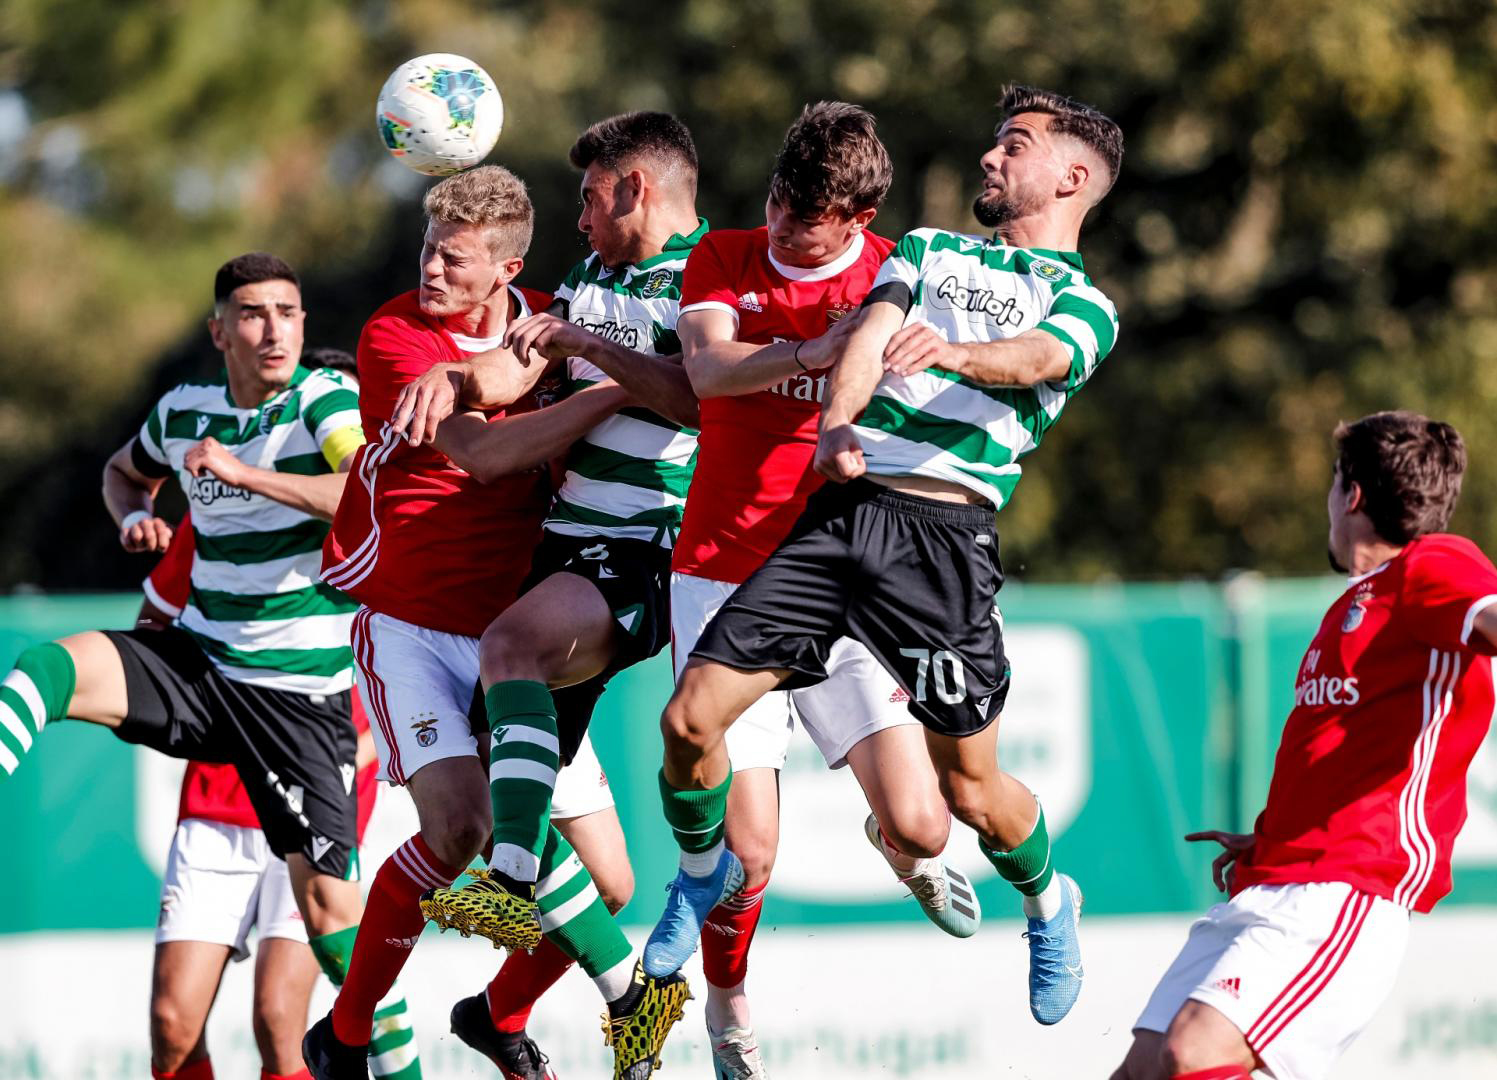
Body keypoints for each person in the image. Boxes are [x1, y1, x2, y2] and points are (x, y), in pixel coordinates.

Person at [643, 85, 1124, 1030]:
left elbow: (1034, 360)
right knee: (689, 718)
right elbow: (865, 334)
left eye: (1013, 146)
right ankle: (699, 880)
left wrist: (947, 354)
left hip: (943, 547)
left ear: (1071, 177)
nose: (990, 158)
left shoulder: (1089, 303)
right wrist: (834, 428)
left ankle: (1046, 900)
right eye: (992, 142)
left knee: (964, 795)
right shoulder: (930, 249)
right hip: (841, 517)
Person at [308, 165, 686, 1080]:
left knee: (611, 881)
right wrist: (615, 390)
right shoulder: (393, 332)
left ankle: (496, 1016)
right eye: (428, 250)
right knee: (461, 830)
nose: (432, 270)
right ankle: (346, 1039)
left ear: (508, 267)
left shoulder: (554, 317)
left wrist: (604, 369)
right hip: (412, 623)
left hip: (519, 629)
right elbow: (479, 455)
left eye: (455, 257)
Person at [637, 102, 987, 1075]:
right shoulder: (722, 258)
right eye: (783, 201)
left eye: (812, 217)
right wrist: (809, 352)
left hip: (838, 569)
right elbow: (706, 371)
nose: (787, 226)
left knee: (926, 824)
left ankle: (891, 836)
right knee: (749, 857)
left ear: (856, 221)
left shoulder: (894, 274)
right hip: (720, 571)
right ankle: (727, 1007)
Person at [0, 254, 391, 1053]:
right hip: (204, 668)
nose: (274, 328)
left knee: (321, 948)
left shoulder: (326, 398)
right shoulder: (185, 412)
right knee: (48, 665)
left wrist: (245, 474)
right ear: (219, 331)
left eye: (288, 311)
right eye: (252, 313)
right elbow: (122, 473)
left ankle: (396, 1065)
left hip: (297, 702)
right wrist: (131, 517)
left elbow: (363, 492)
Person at [1115, 412, 1497, 1080]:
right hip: (1273, 881)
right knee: (1143, 1069)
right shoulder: (1357, 602)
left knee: (1191, 1056)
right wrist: (1270, 838)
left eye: (1331, 481)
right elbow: (1347, 748)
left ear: (1349, 493)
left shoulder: (1430, 563)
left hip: (1346, 889)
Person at [139, 519, 420, 1080]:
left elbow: (427, 636)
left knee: (278, 1019)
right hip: (220, 797)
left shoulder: (360, 509)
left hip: (319, 796)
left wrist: (370, 746)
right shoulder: (216, 509)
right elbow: (150, 629)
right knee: (172, 1027)